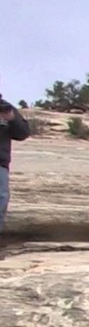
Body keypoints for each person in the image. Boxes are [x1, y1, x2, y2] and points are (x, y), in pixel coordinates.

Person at [0, 94, 32, 238]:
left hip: (0, 163)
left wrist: (12, 119)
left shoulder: (6, 107)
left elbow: (23, 133)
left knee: (1, 199)